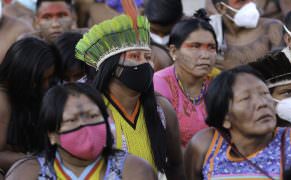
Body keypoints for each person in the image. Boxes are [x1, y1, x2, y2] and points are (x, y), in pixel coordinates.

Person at [75, 0, 184, 179]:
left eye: (148, 56)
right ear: (111, 67)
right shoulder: (91, 112)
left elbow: (176, 165)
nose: (144, 63)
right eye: (134, 56)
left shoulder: (162, 109)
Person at [185, 65, 291, 179]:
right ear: (225, 118)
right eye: (246, 99)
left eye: (265, 94)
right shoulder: (205, 146)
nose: (262, 103)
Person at [5, 83, 156, 179]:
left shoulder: (135, 171)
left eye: (93, 116)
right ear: (52, 134)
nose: (86, 126)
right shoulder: (27, 174)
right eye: (72, 120)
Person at [153, 9, 218, 147]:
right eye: (195, 46)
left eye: (211, 47)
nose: (205, 55)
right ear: (173, 51)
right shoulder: (159, 83)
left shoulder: (218, 82)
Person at [0, 38, 61, 170]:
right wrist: (37, 161)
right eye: (39, 80)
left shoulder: (35, 95)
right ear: (21, 75)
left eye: (50, 79)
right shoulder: (2, 100)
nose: (46, 85)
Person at [209, 0, 284, 70]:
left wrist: (235, 69)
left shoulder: (272, 27)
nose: (249, 4)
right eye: (240, 1)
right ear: (221, 8)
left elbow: (282, 69)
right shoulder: (214, 38)